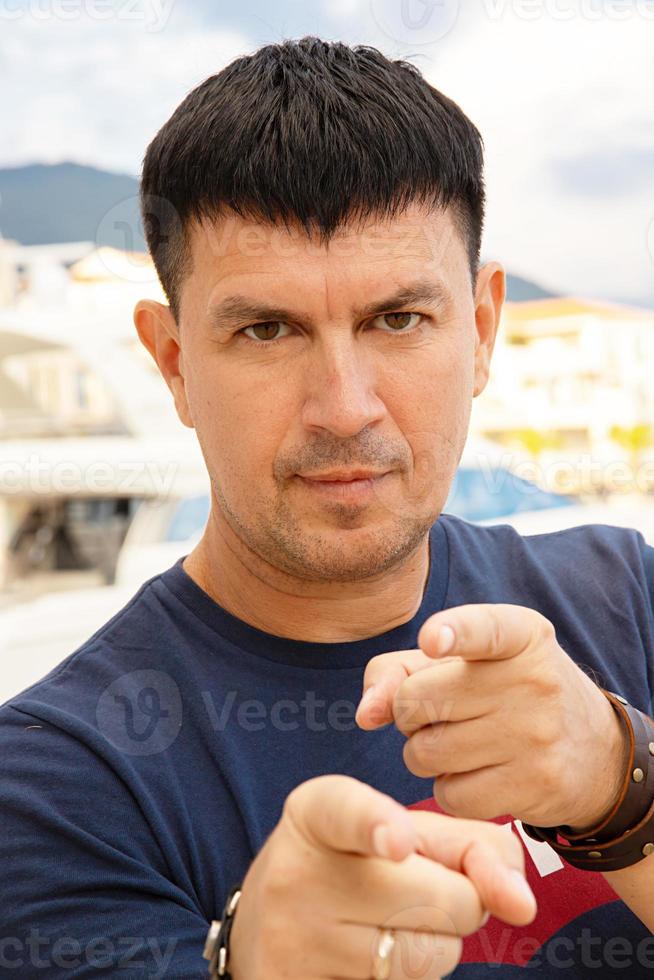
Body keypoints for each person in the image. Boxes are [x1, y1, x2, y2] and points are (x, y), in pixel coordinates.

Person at [1, 35, 653, 980]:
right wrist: (244, 964)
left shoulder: (623, 598)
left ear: (480, 329)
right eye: (267, 330)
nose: (345, 408)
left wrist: (620, 784)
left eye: (398, 320)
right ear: (174, 361)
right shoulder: (53, 784)